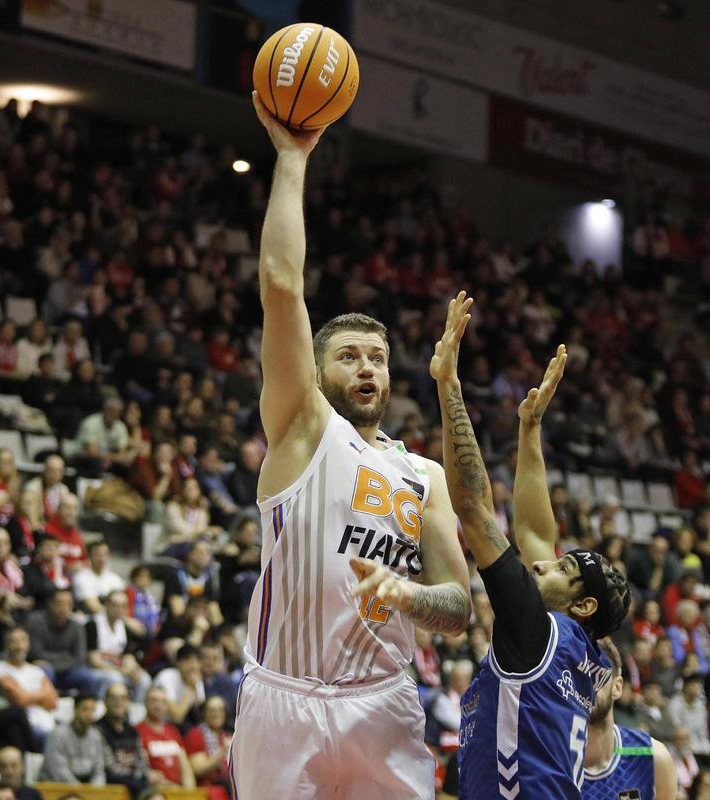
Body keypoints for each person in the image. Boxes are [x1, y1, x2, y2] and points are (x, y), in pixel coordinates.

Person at [227, 93, 471, 800]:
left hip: (383, 703)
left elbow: (458, 608)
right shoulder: (303, 428)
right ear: (315, 371)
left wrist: (408, 593)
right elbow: (281, 285)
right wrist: (292, 157)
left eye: (378, 357)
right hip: (284, 699)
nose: (367, 368)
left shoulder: (423, 474)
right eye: (349, 356)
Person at [429, 295, 630, 798]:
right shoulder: (578, 652)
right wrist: (530, 430)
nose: (542, 564)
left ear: (583, 604)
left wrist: (449, 384)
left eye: (562, 569)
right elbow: (538, 536)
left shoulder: (536, 633)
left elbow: (473, 508)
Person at [583, 638, 676, 800]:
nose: (588, 686)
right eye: (579, 676)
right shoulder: (550, 757)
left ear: (617, 687)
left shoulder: (654, 756)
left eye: (597, 675)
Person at [96, 683, 152, 796]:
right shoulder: (97, 729)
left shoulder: (133, 731)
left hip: (136, 781)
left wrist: (145, 774)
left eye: (123, 698)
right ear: (105, 701)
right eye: (114, 697)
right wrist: (139, 775)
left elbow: (142, 760)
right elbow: (109, 767)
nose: (118, 701)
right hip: (111, 783)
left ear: (128, 702)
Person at [136, 687, 195, 790]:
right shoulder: (137, 731)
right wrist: (173, 790)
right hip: (153, 791)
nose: (158, 706)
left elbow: (185, 766)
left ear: (167, 706)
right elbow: (144, 768)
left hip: (178, 791)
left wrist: (189, 792)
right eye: (154, 701)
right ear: (145, 703)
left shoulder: (173, 731)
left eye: (163, 701)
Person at [40, 692, 105, 785]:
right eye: (85, 709)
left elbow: (99, 771)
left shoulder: (96, 736)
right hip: (55, 786)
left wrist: (96, 790)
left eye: (93, 710)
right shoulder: (58, 734)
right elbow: (59, 772)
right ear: (75, 709)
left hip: (85, 788)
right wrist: (82, 791)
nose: (90, 714)